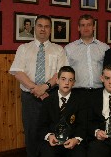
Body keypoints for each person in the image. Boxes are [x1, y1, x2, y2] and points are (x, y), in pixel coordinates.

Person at [9, 15, 68, 157]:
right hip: (30, 97)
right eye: (40, 25)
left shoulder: (58, 50)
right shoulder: (23, 48)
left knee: (53, 129)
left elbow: (62, 73)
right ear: (35, 28)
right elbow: (17, 72)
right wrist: (36, 89)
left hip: (52, 95)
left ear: (51, 30)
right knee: (31, 131)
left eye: (47, 26)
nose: (43, 29)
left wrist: (45, 87)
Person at [37, 66, 87, 157]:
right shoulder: (48, 101)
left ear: (74, 83)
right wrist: (49, 136)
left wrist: (76, 139)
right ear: (57, 80)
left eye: (70, 80)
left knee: (80, 153)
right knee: (47, 153)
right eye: (63, 79)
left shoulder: (80, 101)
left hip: (71, 141)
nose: (67, 83)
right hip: (53, 141)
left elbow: (82, 125)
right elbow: (41, 125)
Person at [64, 14, 109, 94]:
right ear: (78, 28)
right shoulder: (69, 48)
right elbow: (64, 73)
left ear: (94, 27)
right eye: (83, 25)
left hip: (99, 92)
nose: (86, 28)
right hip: (76, 93)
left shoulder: (104, 48)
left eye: (89, 25)